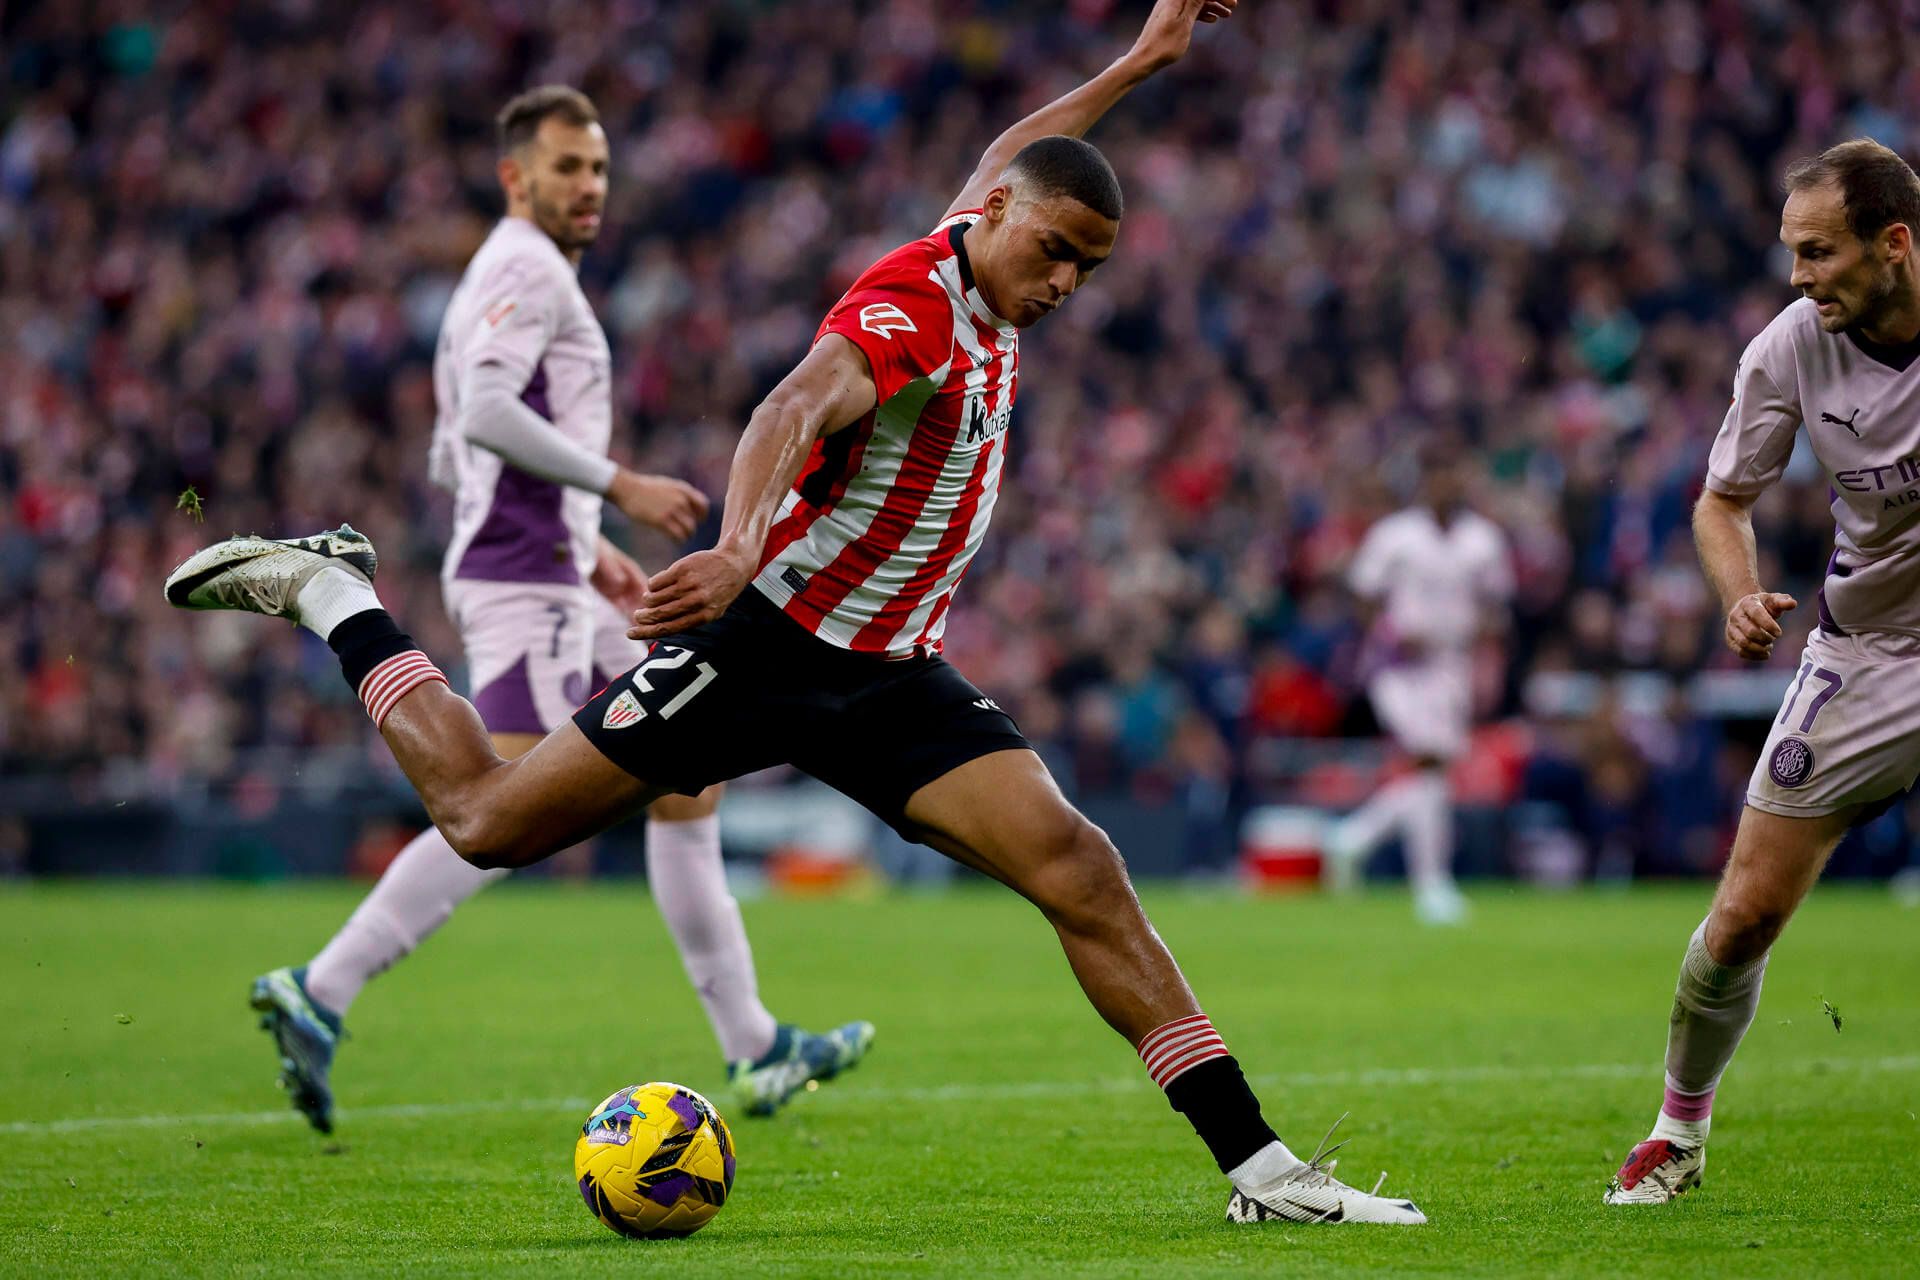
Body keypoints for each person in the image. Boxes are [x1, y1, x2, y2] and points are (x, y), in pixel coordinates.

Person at [166, 0, 1425, 1225]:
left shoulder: (983, 244)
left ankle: (1260, 1167)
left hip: (888, 676)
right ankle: (333, 590)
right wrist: (734, 546)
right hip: (762, 649)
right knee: (485, 818)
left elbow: (1009, 156)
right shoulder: (914, 302)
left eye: (1088, 269)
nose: (1066, 285)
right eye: (1054, 252)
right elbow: (791, 404)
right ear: (995, 226)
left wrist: (1144, 59)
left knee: (1082, 868)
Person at [246, 85, 872, 1136]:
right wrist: (619, 486)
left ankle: (756, 1045)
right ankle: (326, 983)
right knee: (502, 803)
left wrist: (598, 551)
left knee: (688, 779)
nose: (588, 188)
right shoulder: (523, 269)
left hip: (551, 567)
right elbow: (485, 417)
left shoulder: (520, 275)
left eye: (598, 170)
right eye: (567, 168)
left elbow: (470, 442)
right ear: (514, 177)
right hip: (521, 577)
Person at [1605, 138, 1920, 1205]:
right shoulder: (1789, 347)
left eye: (1819, 252)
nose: (1799, 275)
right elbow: (1721, 500)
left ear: (1895, 244)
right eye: (1792, 252)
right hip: (1874, 650)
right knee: (1742, 914)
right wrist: (1738, 594)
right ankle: (1677, 1132)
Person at [1324, 441, 1513, 924]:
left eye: (1453, 474)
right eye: (1437, 474)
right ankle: (1431, 885)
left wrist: (1485, 653)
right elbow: (1364, 593)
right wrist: (1387, 633)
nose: (1445, 484)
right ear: (1424, 481)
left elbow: (1496, 605)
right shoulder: (1396, 535)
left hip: (1452, 667)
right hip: (1399, 668)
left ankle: (1352, 839)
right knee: (1428, 761)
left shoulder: (1482, 540)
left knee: (1435, 771)